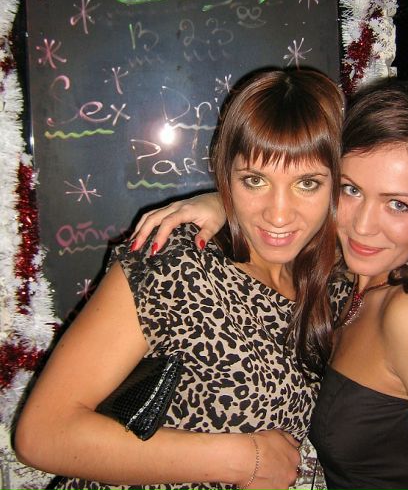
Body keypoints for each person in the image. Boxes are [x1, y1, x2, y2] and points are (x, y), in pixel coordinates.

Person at [14, 67, 348, 490]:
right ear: (226, 174)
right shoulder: (178, 260)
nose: (278, 214)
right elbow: (43, 435)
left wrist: (224, 203)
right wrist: (240, 459)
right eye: (254, 180)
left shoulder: (336, 282)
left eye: (307, 184)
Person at [129, 79, 408, 490]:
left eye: (398, 204)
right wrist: (223, 203)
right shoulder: (338, 279)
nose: (363, 225)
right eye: (351, 190)